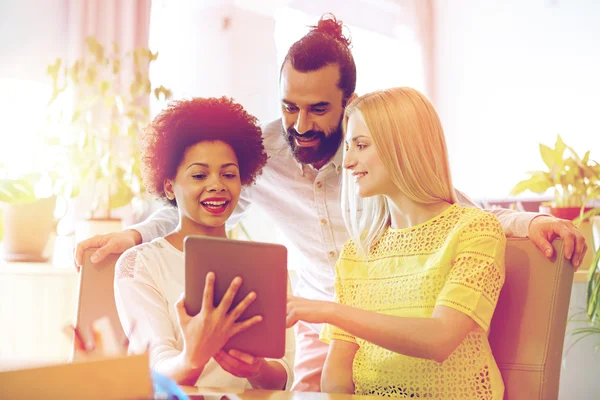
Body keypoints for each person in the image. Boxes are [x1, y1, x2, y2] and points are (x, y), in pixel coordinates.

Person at [75, 14, 587, 392]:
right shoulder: (261, 155)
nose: (301, 125)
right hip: (322, 319)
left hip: (379, 309)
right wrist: (133, 235)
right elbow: (192, 198)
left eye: (318, 109)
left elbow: (448, 202)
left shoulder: (375, 151)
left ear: (348, 103)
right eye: (289, 106)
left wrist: (527, 221)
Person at [287, 87, 506, 398]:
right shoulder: (356, 254)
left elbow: (439, 339)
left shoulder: (475, 231)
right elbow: (336, 377)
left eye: (361, 145)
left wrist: (330, 311)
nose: (348, 162)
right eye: (348, 147)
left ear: (403, 147)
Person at [113, 97, 294, 389]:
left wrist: (257, 369)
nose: (217, 185)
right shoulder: (140, 264)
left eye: (229, 174)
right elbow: (154, 375)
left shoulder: (266, 265)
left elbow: (284, 375)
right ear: (169, 185)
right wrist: (191, 358)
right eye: (199, 174)